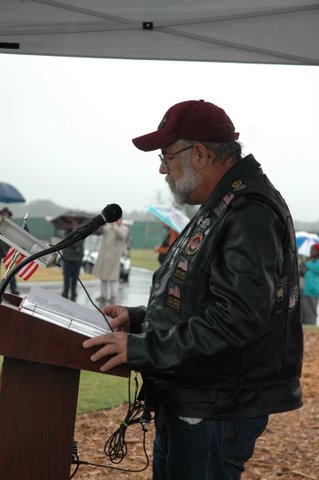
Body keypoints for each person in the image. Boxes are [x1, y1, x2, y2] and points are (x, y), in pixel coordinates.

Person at [83, 99, 303, 479]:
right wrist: (137, 319)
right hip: (195, 395)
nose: (162, 167)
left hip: (214, 405)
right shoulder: (222, 200)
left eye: (167, 155)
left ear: (200, 154)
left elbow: (234, 320)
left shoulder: (249, 209)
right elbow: (197, 296)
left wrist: (141, 347)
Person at [93, 218, 129, 304]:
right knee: (103, 277)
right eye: (117, 219)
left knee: (113, 278)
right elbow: (101, 231)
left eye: (120, 219)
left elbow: (123, 236)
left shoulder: (124, 228)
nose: (118, 221)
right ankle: (104, 296)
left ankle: (113, 296)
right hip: (104, 256)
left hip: (114, 257)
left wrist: (114, 226)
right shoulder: (108, 227)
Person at [61, 217, 84, 301]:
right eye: (73, 223)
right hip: (68, 259)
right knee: (66, 278)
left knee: (75, 278)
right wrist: (74, 247)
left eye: (76, 223)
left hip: (77, 259)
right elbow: (66, 243)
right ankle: (65, 292)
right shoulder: (67, 233)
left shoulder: (81, 232)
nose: (74, 225)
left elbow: (80, 245)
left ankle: (73, 293)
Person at [0, 207, 20, 295]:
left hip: (8, 250)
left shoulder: (11, 227)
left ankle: (13, 288)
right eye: (3, 213)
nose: (5, 215)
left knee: (10, 270)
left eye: (6, 214)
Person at [300, 242, 319, 325]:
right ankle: (305, 332)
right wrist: (301, 265)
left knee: (310, 312)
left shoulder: (314, 263)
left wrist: (305, 263)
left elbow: (316, 268)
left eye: (313, 250)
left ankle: (311, 332)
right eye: (311, 250)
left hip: (313, 291)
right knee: (304, 312)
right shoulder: (311, 262)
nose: (311, 252)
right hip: (305, 290)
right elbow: (302, 273)